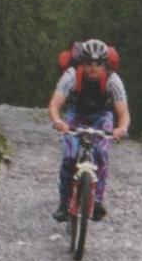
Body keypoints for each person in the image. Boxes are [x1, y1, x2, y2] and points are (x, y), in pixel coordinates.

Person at [49, 38, 129, 222]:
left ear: (105, 63)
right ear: (82, 62)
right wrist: (58, 121)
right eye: (88, 62)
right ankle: (63, 203)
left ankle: (97, 202)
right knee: (70, 155)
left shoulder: (113, 80)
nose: (93, 67)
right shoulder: (70, 75)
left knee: (101, 152)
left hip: (102, 115)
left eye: (98, 62)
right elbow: (55, 104)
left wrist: (121, 128)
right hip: (76, 114)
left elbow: (123, 112)